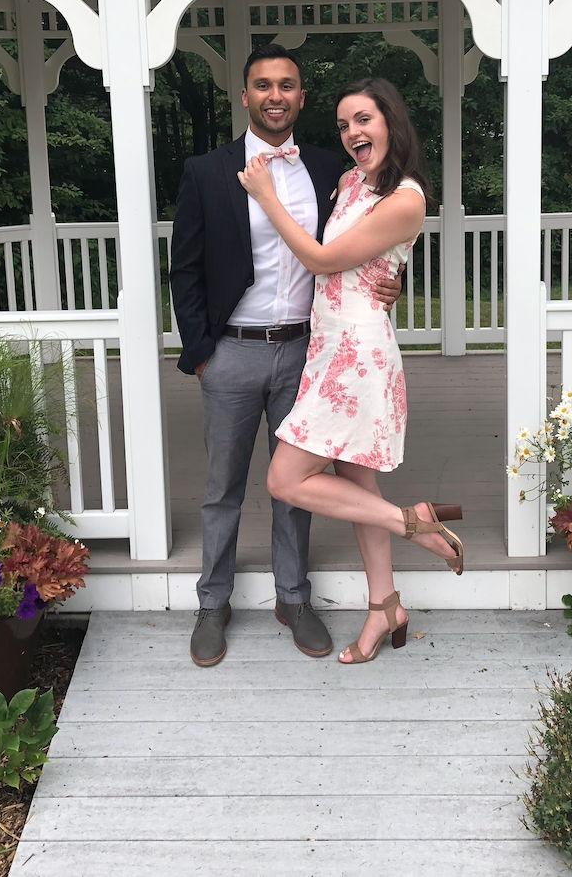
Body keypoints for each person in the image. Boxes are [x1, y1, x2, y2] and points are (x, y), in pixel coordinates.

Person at [170, 45, 403, 668]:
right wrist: (201, 353)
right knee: (222, 488)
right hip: (232, 351)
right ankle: (211, 603)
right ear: (244, 96)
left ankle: (293, 598)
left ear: (301, 98)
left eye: (288, 86)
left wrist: (391, 280)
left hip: (309, 352)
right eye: (263, 85)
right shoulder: (206, 171)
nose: (276, 95)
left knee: (294, 487)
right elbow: (184, 269)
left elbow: (369, 234)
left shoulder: (332, 169)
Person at [236, 76, 464, 665]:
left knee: (285, 479)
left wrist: (267, 196)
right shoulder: (353, 183)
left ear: (390, 120)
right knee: (356, 481)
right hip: (328, 347)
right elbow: (362, 266)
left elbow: (318, 258)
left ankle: (411, 522)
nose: (352, 133)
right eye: (343, 125)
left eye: (363, 119)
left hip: (357, 356)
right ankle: (384, 607)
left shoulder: (406, 197)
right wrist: (395, 278)